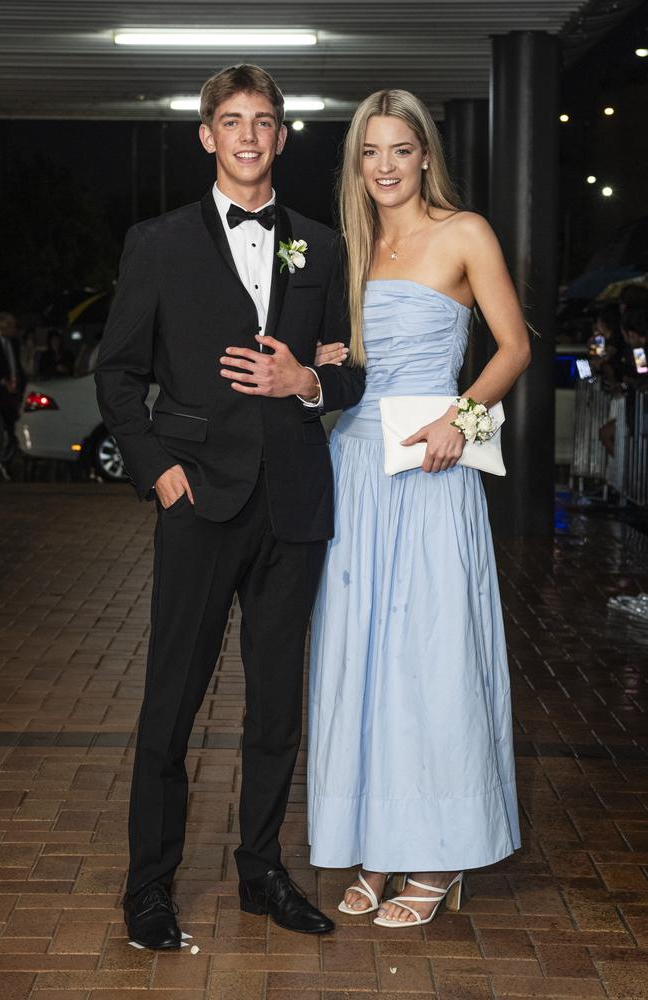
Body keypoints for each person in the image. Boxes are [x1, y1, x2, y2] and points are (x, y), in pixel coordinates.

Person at [95, 64, 365, 950]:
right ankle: (150, 887)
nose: (250, 135)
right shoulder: (158, 242)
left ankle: (262, 873)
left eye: (265, 121)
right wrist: (159, 474)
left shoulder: (323, 247)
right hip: (199, 500)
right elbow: (119, 373)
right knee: (171, 704)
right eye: (232, 121)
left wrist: (311, 382)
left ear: (284, 138)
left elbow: (350, 368)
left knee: (276, 710)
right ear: (208, 137)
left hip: (293, 504)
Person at [307, 89, 529, 927]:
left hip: (432, 468)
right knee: (357, 657)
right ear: (357, 165)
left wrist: (460, 419)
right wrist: (333, 357)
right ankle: (376, 846)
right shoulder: (346, 251)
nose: (386, 166)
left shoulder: (464, 233)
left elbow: (515, 347)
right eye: (371, 152)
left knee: (428, 657)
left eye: (401, 149)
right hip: (356, 466)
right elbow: (344, 370)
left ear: (426, 155)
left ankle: (437, 856)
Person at [0, 312, 25, 474]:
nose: (15, 329)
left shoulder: (14, 343)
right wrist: (4, 381)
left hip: (12, 394)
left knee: (12, 428)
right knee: (2, 429)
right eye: (12, 325)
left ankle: (3, 461)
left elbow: (17, 367)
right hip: (0, 392)